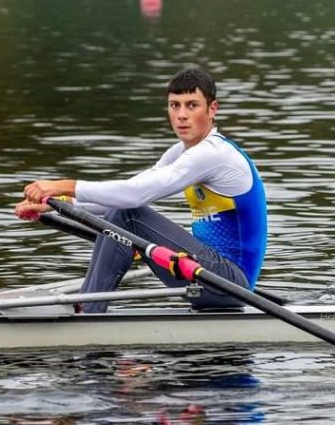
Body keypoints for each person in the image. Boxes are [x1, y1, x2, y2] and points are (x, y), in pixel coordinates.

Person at [15, 67, 267, 313]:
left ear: (213, 109)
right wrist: (59, 203)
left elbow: (133, 196)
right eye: (174, 105)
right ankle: (91, 305)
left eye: (192, 105)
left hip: (230, 283)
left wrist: (63, 185)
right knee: (122, 213)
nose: (181, 115)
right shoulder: (179, 153)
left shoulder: (214, 154)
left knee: (128, 215)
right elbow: (123, 196)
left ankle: (90, 310)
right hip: (204, 274)